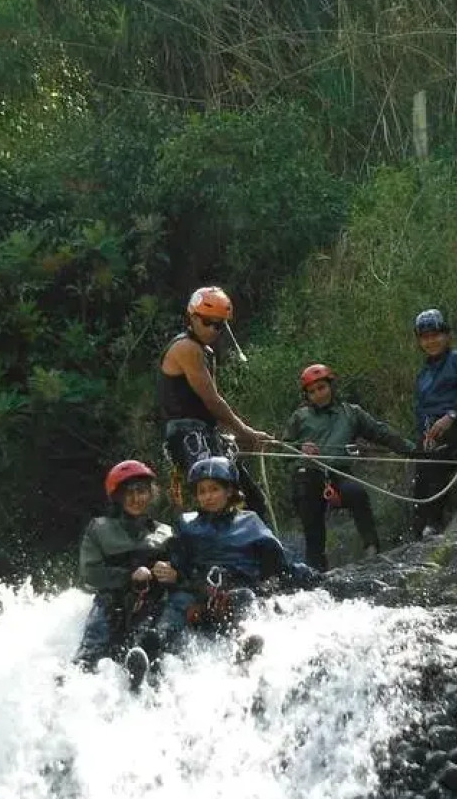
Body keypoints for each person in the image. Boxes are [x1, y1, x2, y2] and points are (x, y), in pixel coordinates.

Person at [156, 456, 319, 653]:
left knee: (244, 597)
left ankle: (245, 642)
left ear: (229, 491)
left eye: (214, 489)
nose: (207, 497)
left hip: (236, 590)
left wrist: (309, 576)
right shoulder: (187, 525)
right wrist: (172, 572)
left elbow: (278, 562)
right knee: (178, 600)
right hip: (198, 592)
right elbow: (178, 562)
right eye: (202, 491)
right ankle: (156, 645)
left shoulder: (250, 522)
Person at [283, 363, 415, 569]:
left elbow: (380, 432)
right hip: (308, 475)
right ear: (306, 395)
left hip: (339, 473)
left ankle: (371, 548)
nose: (318, 394)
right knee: (312, 526)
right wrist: (299, 448)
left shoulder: (351, 413)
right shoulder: (300, 417)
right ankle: (317, 571)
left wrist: (412, 450)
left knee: (357, 493)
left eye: (322, 388)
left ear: (331, 387)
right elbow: (283, 450)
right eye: (312, 391)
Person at [158, 286, 274, 517]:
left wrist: (230, 432)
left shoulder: (202, 349)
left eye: (220, 325)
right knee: (218, 499)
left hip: (204, 431)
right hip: (189, 435)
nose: (213, 329)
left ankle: (259, 548)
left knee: (248, 497)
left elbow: (208, 406)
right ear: (192, 318)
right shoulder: (186, 348)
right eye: (208, 322)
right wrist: (244, 431)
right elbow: (211, 400)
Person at [73, 459, 179, 683]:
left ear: (150, 494)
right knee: (105, 608)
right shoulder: (99, 529)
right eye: (128, 493)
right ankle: (83, 665)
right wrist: (128, 575)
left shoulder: (166, 533)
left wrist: (172, 572)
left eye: (141, 491)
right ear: (118, 498)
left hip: (153, 600)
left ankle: (143, 666)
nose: (135, 499)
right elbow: (90, 575)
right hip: (113, 600)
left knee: (161, 617)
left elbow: (183, 571)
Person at [411, 309, 457, 537]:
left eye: (435, 335)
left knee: (436, 459)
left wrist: (451, 415)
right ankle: (417, 531)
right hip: (431, 429)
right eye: (425, 337)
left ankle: (434, 524)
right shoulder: (423, 373)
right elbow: (421, 408)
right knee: (420, 474)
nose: (431, 341)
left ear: (446, 335)